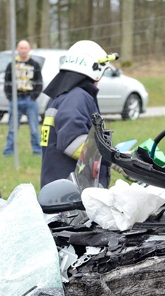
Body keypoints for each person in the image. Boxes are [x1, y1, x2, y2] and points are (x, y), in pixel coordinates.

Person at [40, 40, 116, 187]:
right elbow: (72, 142)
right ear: (95, 70)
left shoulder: (62, 95)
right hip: (74, 192)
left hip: (58, 186)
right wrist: (112, 158)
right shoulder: (77, 97)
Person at [3, 40, 44, 156]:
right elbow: (7, 82)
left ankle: (37, 152)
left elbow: (39, 82)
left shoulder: (34, 65)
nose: (23, 51)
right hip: (15, 101)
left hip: (30, 100)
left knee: (34, 128)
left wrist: (33, 96)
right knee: (12, 129)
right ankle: (8, 152)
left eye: (25, 48)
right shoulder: (11, 65)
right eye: (21, 48)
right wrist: (10, 97)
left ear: (29, 49)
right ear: (17, 49)